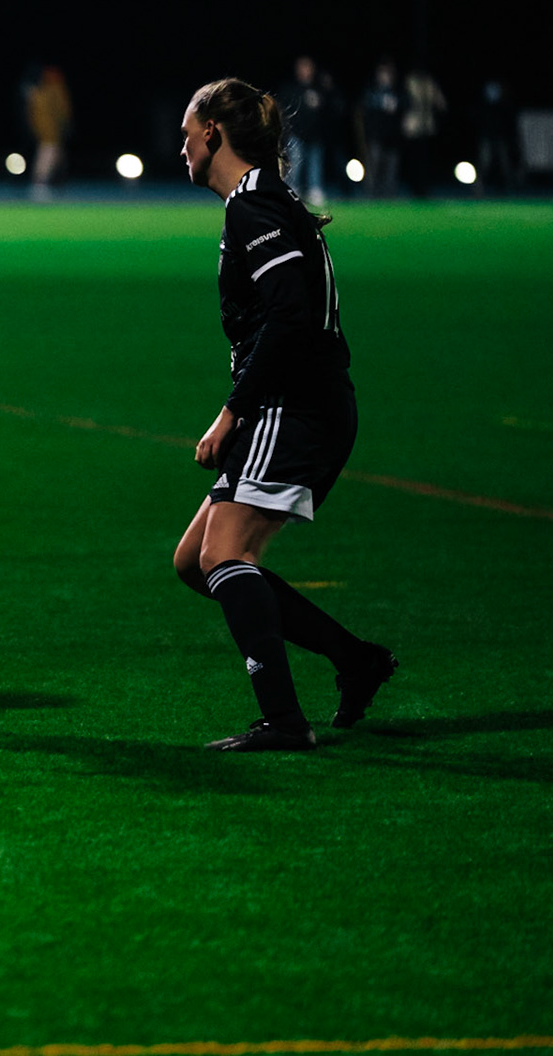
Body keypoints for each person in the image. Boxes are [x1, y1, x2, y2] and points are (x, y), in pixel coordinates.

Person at [171, 77, 398, 752]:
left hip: (294, 405)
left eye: (187, 133)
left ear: (213, 132)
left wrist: (232, 412)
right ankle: (355, 659)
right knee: (194, 562)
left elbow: (290, 315)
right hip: (295, 402)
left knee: (224, 554)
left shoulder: (255, 205)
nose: (182, 147)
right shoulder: (262, 199)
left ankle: (284, 721)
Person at [278, 56, 336, 206]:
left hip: (315, 134)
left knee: (315, 165)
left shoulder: (319, 88)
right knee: (295, 165)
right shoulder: (291, 89)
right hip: (296, 134)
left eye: (308, 67)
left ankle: (314, 190)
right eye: (302, 67)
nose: (305, 71)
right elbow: (285, 111)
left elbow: (329, 110)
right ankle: (292, 191)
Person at [26, 65, 72, 199]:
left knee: (56, 153)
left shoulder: (50, 90)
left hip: (53, 129)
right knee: (48, 151)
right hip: (48, 129)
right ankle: (41, 178)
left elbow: (63, 111)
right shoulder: (46, 91)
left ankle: (55, 177)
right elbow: (62, 111)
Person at [358, 61, 403, 197]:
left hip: (393, 137)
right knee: (373, 165)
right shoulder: (372, 91)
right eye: (382, 73)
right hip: (375, 135)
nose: (385, 76)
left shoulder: (397, 92)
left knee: (391, 166)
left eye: (388, 73)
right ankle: (371, 194)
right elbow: (364, 110)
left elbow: (405, 107)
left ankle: (389, 194)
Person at [402, 67, 447, 199]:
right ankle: (414, 187)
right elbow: (405, 101)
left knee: (424, 159)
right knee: (413, 159)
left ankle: (424, 188)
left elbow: (441, 103)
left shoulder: (430, 83)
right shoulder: (410, 81)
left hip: (426, 126)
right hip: (413, 126)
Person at [475, 80, 523, 196]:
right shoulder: (484, 107)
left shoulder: (505, 106)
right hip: (487, 137)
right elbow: (479, 122)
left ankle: (509, 186)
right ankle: (478, 187)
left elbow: (510, 123)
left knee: (505, 163)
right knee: (484, 162)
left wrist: (510, 137)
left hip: (501, 138)